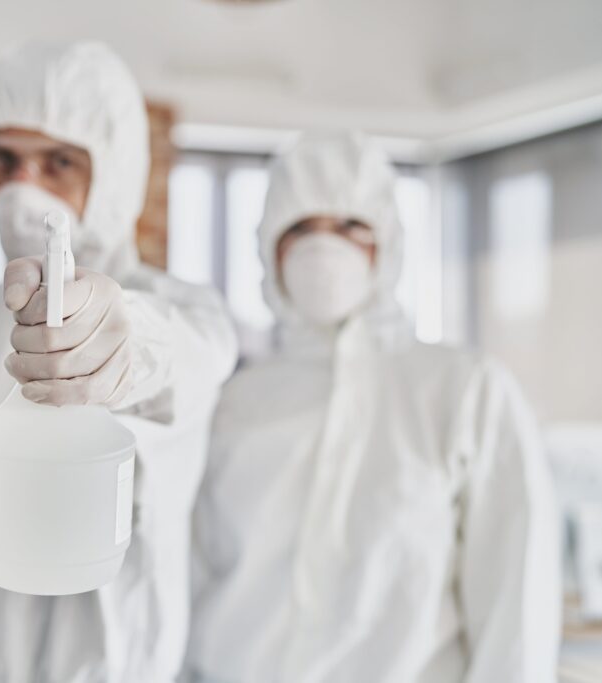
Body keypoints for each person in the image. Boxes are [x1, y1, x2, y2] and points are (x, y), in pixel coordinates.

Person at [0, 41, 237, 683]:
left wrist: (123, 344)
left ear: (115, 173)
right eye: (4, 159)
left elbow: (180, 364)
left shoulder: (183, 315)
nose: (25, 187)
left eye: (58, 162)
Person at [185, 131, 560, 682]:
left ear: (387, 244)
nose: (323, 247)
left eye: (349, 227)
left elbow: (516, 597)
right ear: (270, 248)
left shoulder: (463, 390)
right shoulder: (234, 402)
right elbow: (196, 577)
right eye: (300, 229)